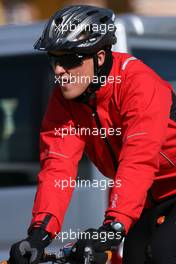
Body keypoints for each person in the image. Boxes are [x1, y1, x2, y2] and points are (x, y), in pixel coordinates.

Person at [9, 5, 176, 264]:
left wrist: (115, 226)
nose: (58, 71)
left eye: (69, 60)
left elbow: (138, 160)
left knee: (163, 253)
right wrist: (39, 234)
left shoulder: (139, 84)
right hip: (148, 201)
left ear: (99, 58)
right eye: (54, 59)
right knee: (136, 257)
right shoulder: (65, 98)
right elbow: (57, 168)